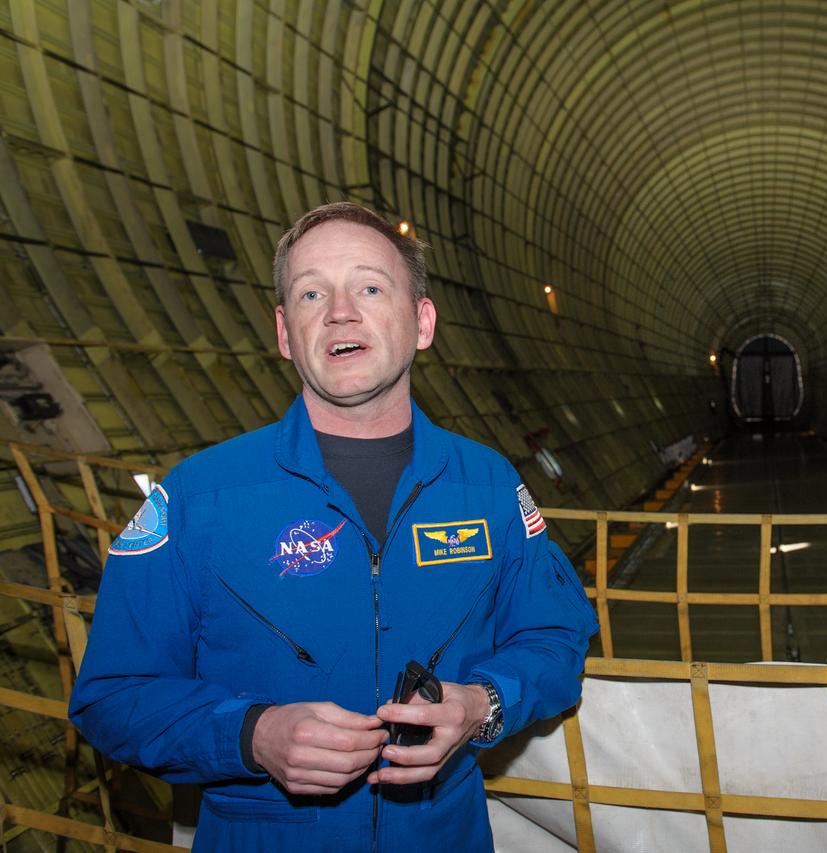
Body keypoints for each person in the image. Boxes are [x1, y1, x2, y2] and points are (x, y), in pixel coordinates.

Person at [69, 202, 598, 851]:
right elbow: (112, 695)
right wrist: (252, 734)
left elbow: (556, 635)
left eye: (370, 286)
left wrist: (482, 705)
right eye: (311, 292)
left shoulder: (486, 487)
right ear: (286, 332)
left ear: (423, 321)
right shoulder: (201, 498)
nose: (340, 310)